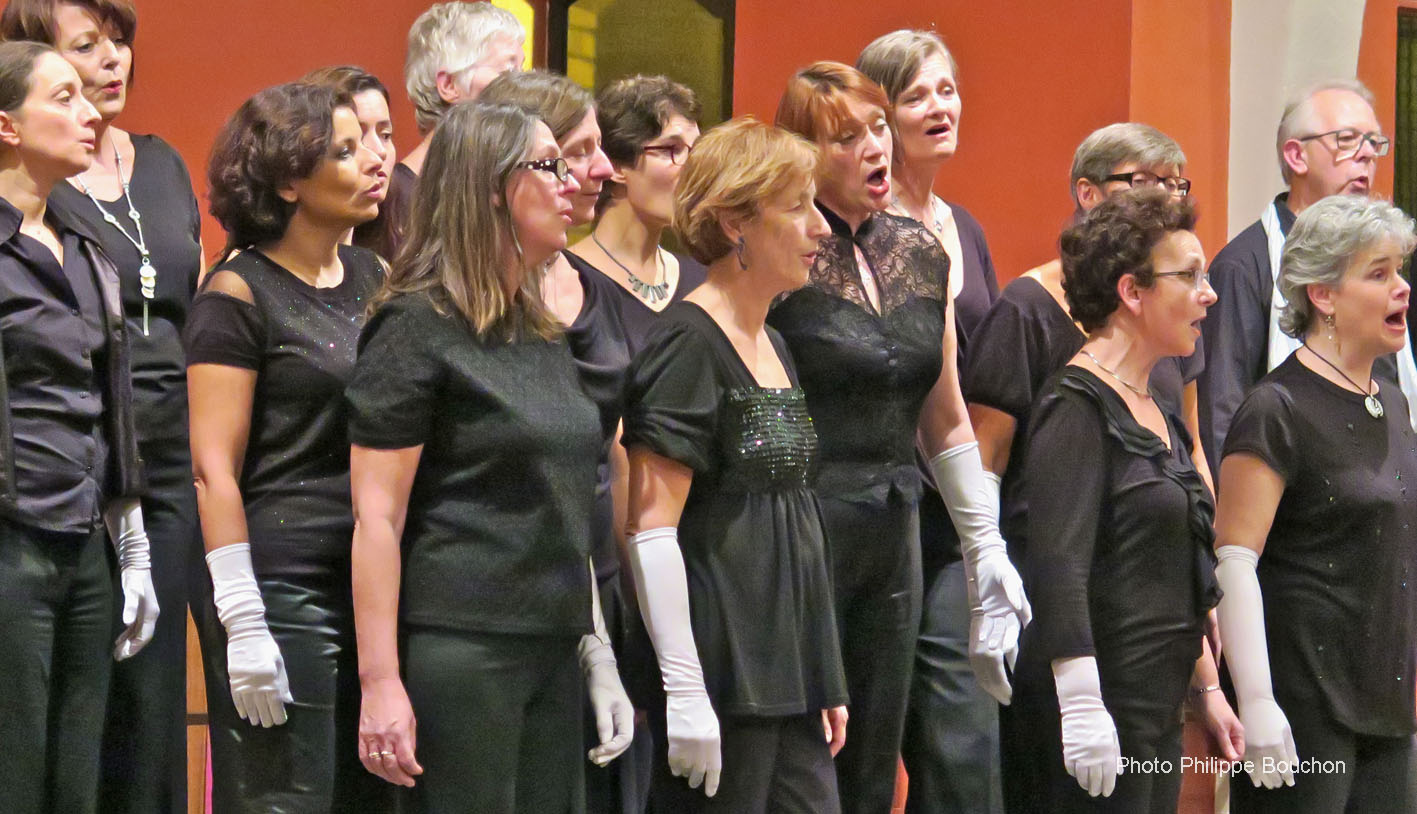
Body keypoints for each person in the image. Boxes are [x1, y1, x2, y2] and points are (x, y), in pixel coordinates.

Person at [347, 101, 631, 814]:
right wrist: (380, 682)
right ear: (492, 188)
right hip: (466, 647)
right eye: (549, 166)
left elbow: (565, 496)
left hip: (552, 643)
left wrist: (594, 649)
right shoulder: (414, 324)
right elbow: (377, 518)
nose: (571, 182)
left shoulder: (535, 325)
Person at [771, 61, 1028, 814]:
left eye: (878, 127)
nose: (874, 147)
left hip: (896, 529)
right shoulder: (780, 253)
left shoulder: (920, 251)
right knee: (806, 761)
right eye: (846, 138)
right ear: (806, 155)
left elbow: (943, 413)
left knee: (875, 762)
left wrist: (983, 545)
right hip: (807, 529)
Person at [966, 123, 1240, 813]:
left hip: (1152, 703)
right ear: (1132, 292)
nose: (1208, 295)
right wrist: (1081, 702)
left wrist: (1206, 686)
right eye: (1189, 277)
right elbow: (1060, 564)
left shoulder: (1154, 403)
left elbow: (1174, 561)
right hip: (1096, 705)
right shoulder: (1076, 404)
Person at [0, 3, 200, 811]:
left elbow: (110, 392)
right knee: (21, 752)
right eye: (66, 92)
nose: (92, 103)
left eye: (120, 45)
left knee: (91, 756)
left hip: (101, 518)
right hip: (20, 521)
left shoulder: (91, 241)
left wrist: (133, 534)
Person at [622, 116, 847, 813]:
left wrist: (822, 672)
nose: (821, 228)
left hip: (788, 675)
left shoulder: (775, 342)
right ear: (733, 222)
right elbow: (650, 530)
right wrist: (684, 688)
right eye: (797, 207)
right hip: (724, 675)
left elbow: (794, 517)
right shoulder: (687, 344)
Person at [187, 81, 391, 812]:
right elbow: (212, 470)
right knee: (287, 796)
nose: (375, 160)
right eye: (346, 150)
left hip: (372, 579)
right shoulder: (238, 292)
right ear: (287, 182)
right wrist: (242, 619)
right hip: (284, 587)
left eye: (371, 144)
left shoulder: (375, 276)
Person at [1214, 194, 1417, 813]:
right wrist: (1256, 700)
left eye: (1400, 270)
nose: (1402, 288)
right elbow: (1234, 560)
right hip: (1302, 704)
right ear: (1323, 295)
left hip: (1385, 698)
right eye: (1378, 274)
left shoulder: (1390, 400)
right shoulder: (1275, 408)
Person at [479, 68, 644, 814]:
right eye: (575, 153)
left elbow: (612, 449)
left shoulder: (594, 289)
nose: (603, 169)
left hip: (598, 577)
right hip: (516, 592)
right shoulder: (473, 306)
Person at [855, 30, 1003, 814]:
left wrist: (984, 512)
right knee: (870, 745)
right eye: (916, 95)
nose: (939, 106)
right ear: (878, 118)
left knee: (965, 747)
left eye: (946, 89)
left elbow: (974, 382)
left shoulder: (962, 227)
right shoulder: (855, 233)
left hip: (953, 505)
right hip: (882, 504)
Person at [1200, 79, 1392, 463]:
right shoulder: (1243, 266)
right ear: (1296, 156)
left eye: (1374, 142)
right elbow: (1224, 415)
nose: (1367, 154)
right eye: (1347, 139)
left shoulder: (1381, 266)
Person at [566, 74, 707, 356]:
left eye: (696, 152)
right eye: (672, 149)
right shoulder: (569, 279)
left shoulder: (702, 279)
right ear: (616, 165)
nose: (693, 169)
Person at [389, 0, 523, 257]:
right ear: (449, 85)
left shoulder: (490, 190)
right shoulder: (393, 199)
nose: (524, 87)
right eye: (508, 72)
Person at [303, 65, 398, 259]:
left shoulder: (386, 258)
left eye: (386, 135)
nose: (379, 152)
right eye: (357, 136)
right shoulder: (250, 271)